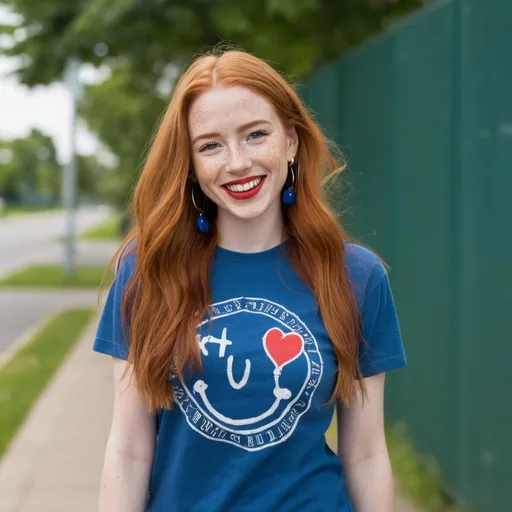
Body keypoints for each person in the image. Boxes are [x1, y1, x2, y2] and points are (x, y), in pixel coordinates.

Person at [93, 48, 406, 512]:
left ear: (292, 141)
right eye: (210, 145)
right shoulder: (149, 271)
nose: (237, 162)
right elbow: (129, 449)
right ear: (193, 164)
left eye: (255, 135)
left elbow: (364, 453)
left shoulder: (356, 277)